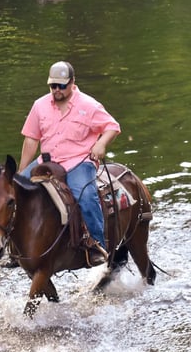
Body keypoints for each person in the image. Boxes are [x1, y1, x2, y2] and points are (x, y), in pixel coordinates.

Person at [17, 60, 121, 266]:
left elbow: (112, 126)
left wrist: (100, 144)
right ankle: (13, 248)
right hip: (47, 161)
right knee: (14, 192)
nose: (56, 90)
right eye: (52, 86)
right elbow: (31, 139)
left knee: (86, 194)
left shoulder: (89, 106)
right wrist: (21, 171)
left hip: (78, 162)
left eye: (61, 86)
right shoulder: (39, 106)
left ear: (72, 82)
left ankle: (97, 245)